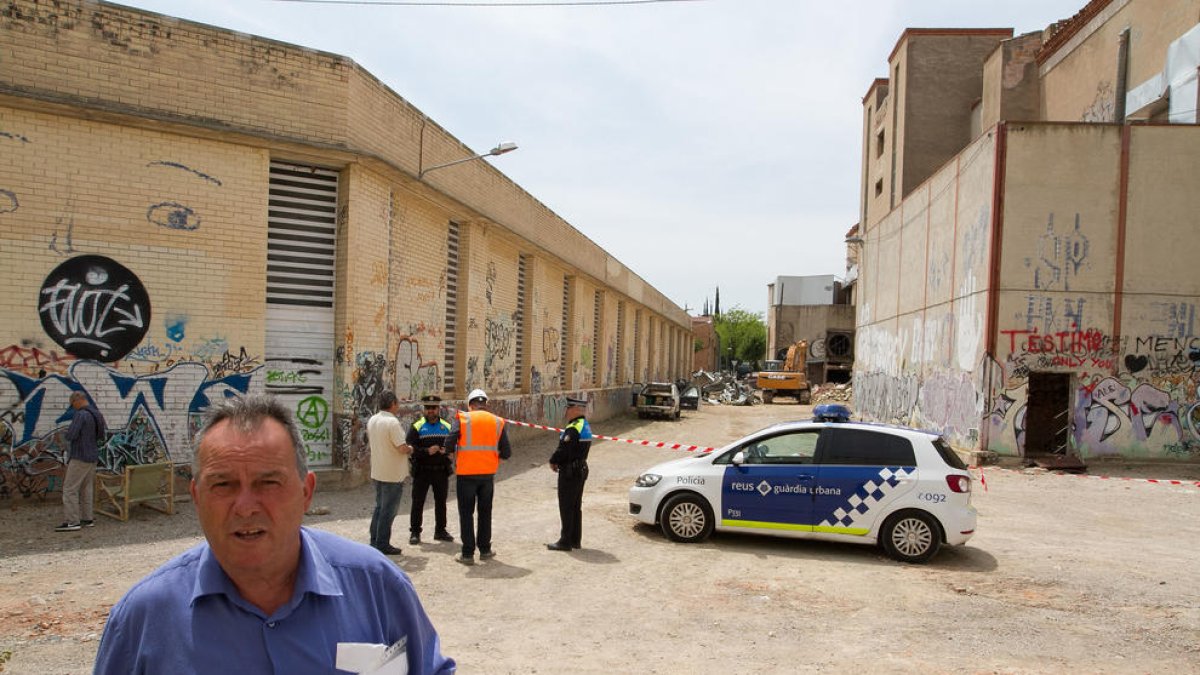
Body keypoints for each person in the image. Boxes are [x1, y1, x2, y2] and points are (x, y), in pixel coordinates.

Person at [93, 394, 455, 673]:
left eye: (268, 482)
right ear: (196, 497)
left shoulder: (378, 588)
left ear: (305, 493)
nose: (246, 506)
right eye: (223, 484)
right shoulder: (143, 619)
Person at [445, 388, 511, 566]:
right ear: (485, 404)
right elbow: (507, 452)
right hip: (487, 476)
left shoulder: (463, 418)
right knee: (485, 512)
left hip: (466, 474)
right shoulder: (497, 421)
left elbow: (449, 442)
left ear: (470, 405)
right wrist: (494, 459)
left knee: (466, 514)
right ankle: (485, 550)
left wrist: (452, 454)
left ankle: (467, 554)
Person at [546, 396, 593, 551]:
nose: (565, 411)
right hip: (580, 469)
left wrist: (553, 460)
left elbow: (564, 450)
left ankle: (565, 541)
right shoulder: (584, 425)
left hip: (570, 472)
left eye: (568, 408)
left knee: (566, 506)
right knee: (575, 506)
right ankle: (575, 539)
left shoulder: (574, 428)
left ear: (575, 409)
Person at [368, 391, 411, 556]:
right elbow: (401, 448)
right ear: (393, 404)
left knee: (379, 507)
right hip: (392, 474)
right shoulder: (392, 422)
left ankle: (375, 540)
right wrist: (411, 449)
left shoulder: (373, 419)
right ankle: (382, 543)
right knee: (388, 510)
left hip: (378, 470)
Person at [56, 391, 107, 532]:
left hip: (80, 456)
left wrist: (64, 435)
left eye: (73, 404)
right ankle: (87, 518)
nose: (73, 407)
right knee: (87, 488)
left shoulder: (81, 415)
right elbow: (101, 435)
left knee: (69, 489)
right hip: (92, 455)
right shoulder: (97, 414)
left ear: (77, 400)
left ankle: (72, 521)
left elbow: (72, 434)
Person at [408, 394, 455, 545]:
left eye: (433, 408)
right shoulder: (417, 426)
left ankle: (440, 531)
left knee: (441, 502)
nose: (431, 411)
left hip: (441, 471)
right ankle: (415, 532)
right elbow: (410, 448)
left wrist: (446, 452)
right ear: (424, 409)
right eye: (428, 408)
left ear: (438, 409)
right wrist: (426, 451)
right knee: (418, 502)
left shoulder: (447, 426)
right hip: (422, 470)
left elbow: (453, 447)